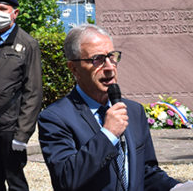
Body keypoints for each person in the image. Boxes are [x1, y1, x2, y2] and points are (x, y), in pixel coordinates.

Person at [38, 24, 180, 191]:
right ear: (73, 68)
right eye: (97, 59)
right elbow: (66, 179)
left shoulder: (133, 111)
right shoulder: (55, 117)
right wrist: (108, 134)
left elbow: (146, 172)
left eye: (111, 56)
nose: (109, 67)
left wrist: (176, 187)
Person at [0, 0, 42, 191]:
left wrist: (23, 134)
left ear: (15, 13)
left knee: (15, 181)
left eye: (2, 9)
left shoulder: (27, 44)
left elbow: (33, 92)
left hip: (10, 125)